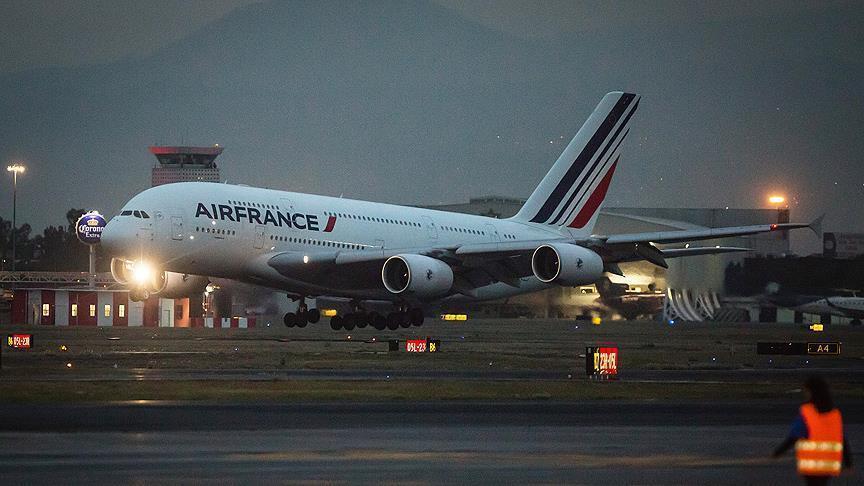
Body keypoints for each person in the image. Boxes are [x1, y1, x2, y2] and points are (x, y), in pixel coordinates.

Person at [773, 375, 852, 485]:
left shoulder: (808, 412)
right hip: (827, 466)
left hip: (812, 466)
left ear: (811, 392)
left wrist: (778, 452)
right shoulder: (834, 414)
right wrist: (848, 462)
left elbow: (795, 436)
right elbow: (842, 439)